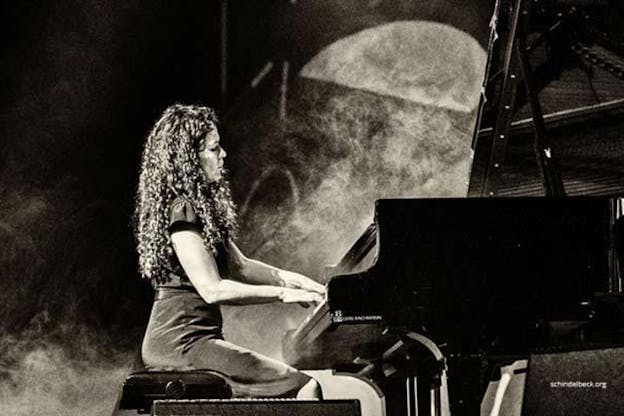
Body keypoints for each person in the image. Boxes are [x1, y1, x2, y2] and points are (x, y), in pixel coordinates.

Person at [133, 104, 325, 399]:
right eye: (214, 149)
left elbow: (243, 266)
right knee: (305, 387)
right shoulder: (182, 210)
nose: (223, 155)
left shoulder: (198, 210)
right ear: (189, 158)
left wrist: (301, 282)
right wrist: (283, 295)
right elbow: (213, 290)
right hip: (180, 343)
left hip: (194, 340)